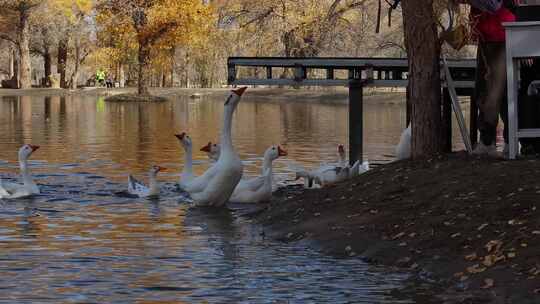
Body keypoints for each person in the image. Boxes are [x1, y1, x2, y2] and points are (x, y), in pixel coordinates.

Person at [459, 0, 517, 156]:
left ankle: (494, 142)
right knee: (490, 91)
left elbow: (494, 5)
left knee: (497, 92)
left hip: (501, 34)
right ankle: (496, 141)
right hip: (489, 35)